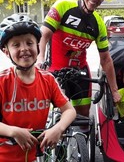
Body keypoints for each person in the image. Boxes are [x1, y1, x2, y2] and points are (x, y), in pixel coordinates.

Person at [36, 0, 121, 134]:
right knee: (58, 116)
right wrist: (40, 58)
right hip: (55, 70)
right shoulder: (63, 6)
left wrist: (115, 90)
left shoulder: (98, 23)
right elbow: (43, 35)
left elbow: (106, 59)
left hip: (80, 72)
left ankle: (82, 147)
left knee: (83, 118)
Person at [0, 14, 76, 162]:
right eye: (16, 45)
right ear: (6, 51)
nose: (24, 49)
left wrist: (58, 128)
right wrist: (13, 131)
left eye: (29, 43)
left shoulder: (47, 80)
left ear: (38, 47)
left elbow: (69, 110)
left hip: (34, 156)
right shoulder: (2, 82)